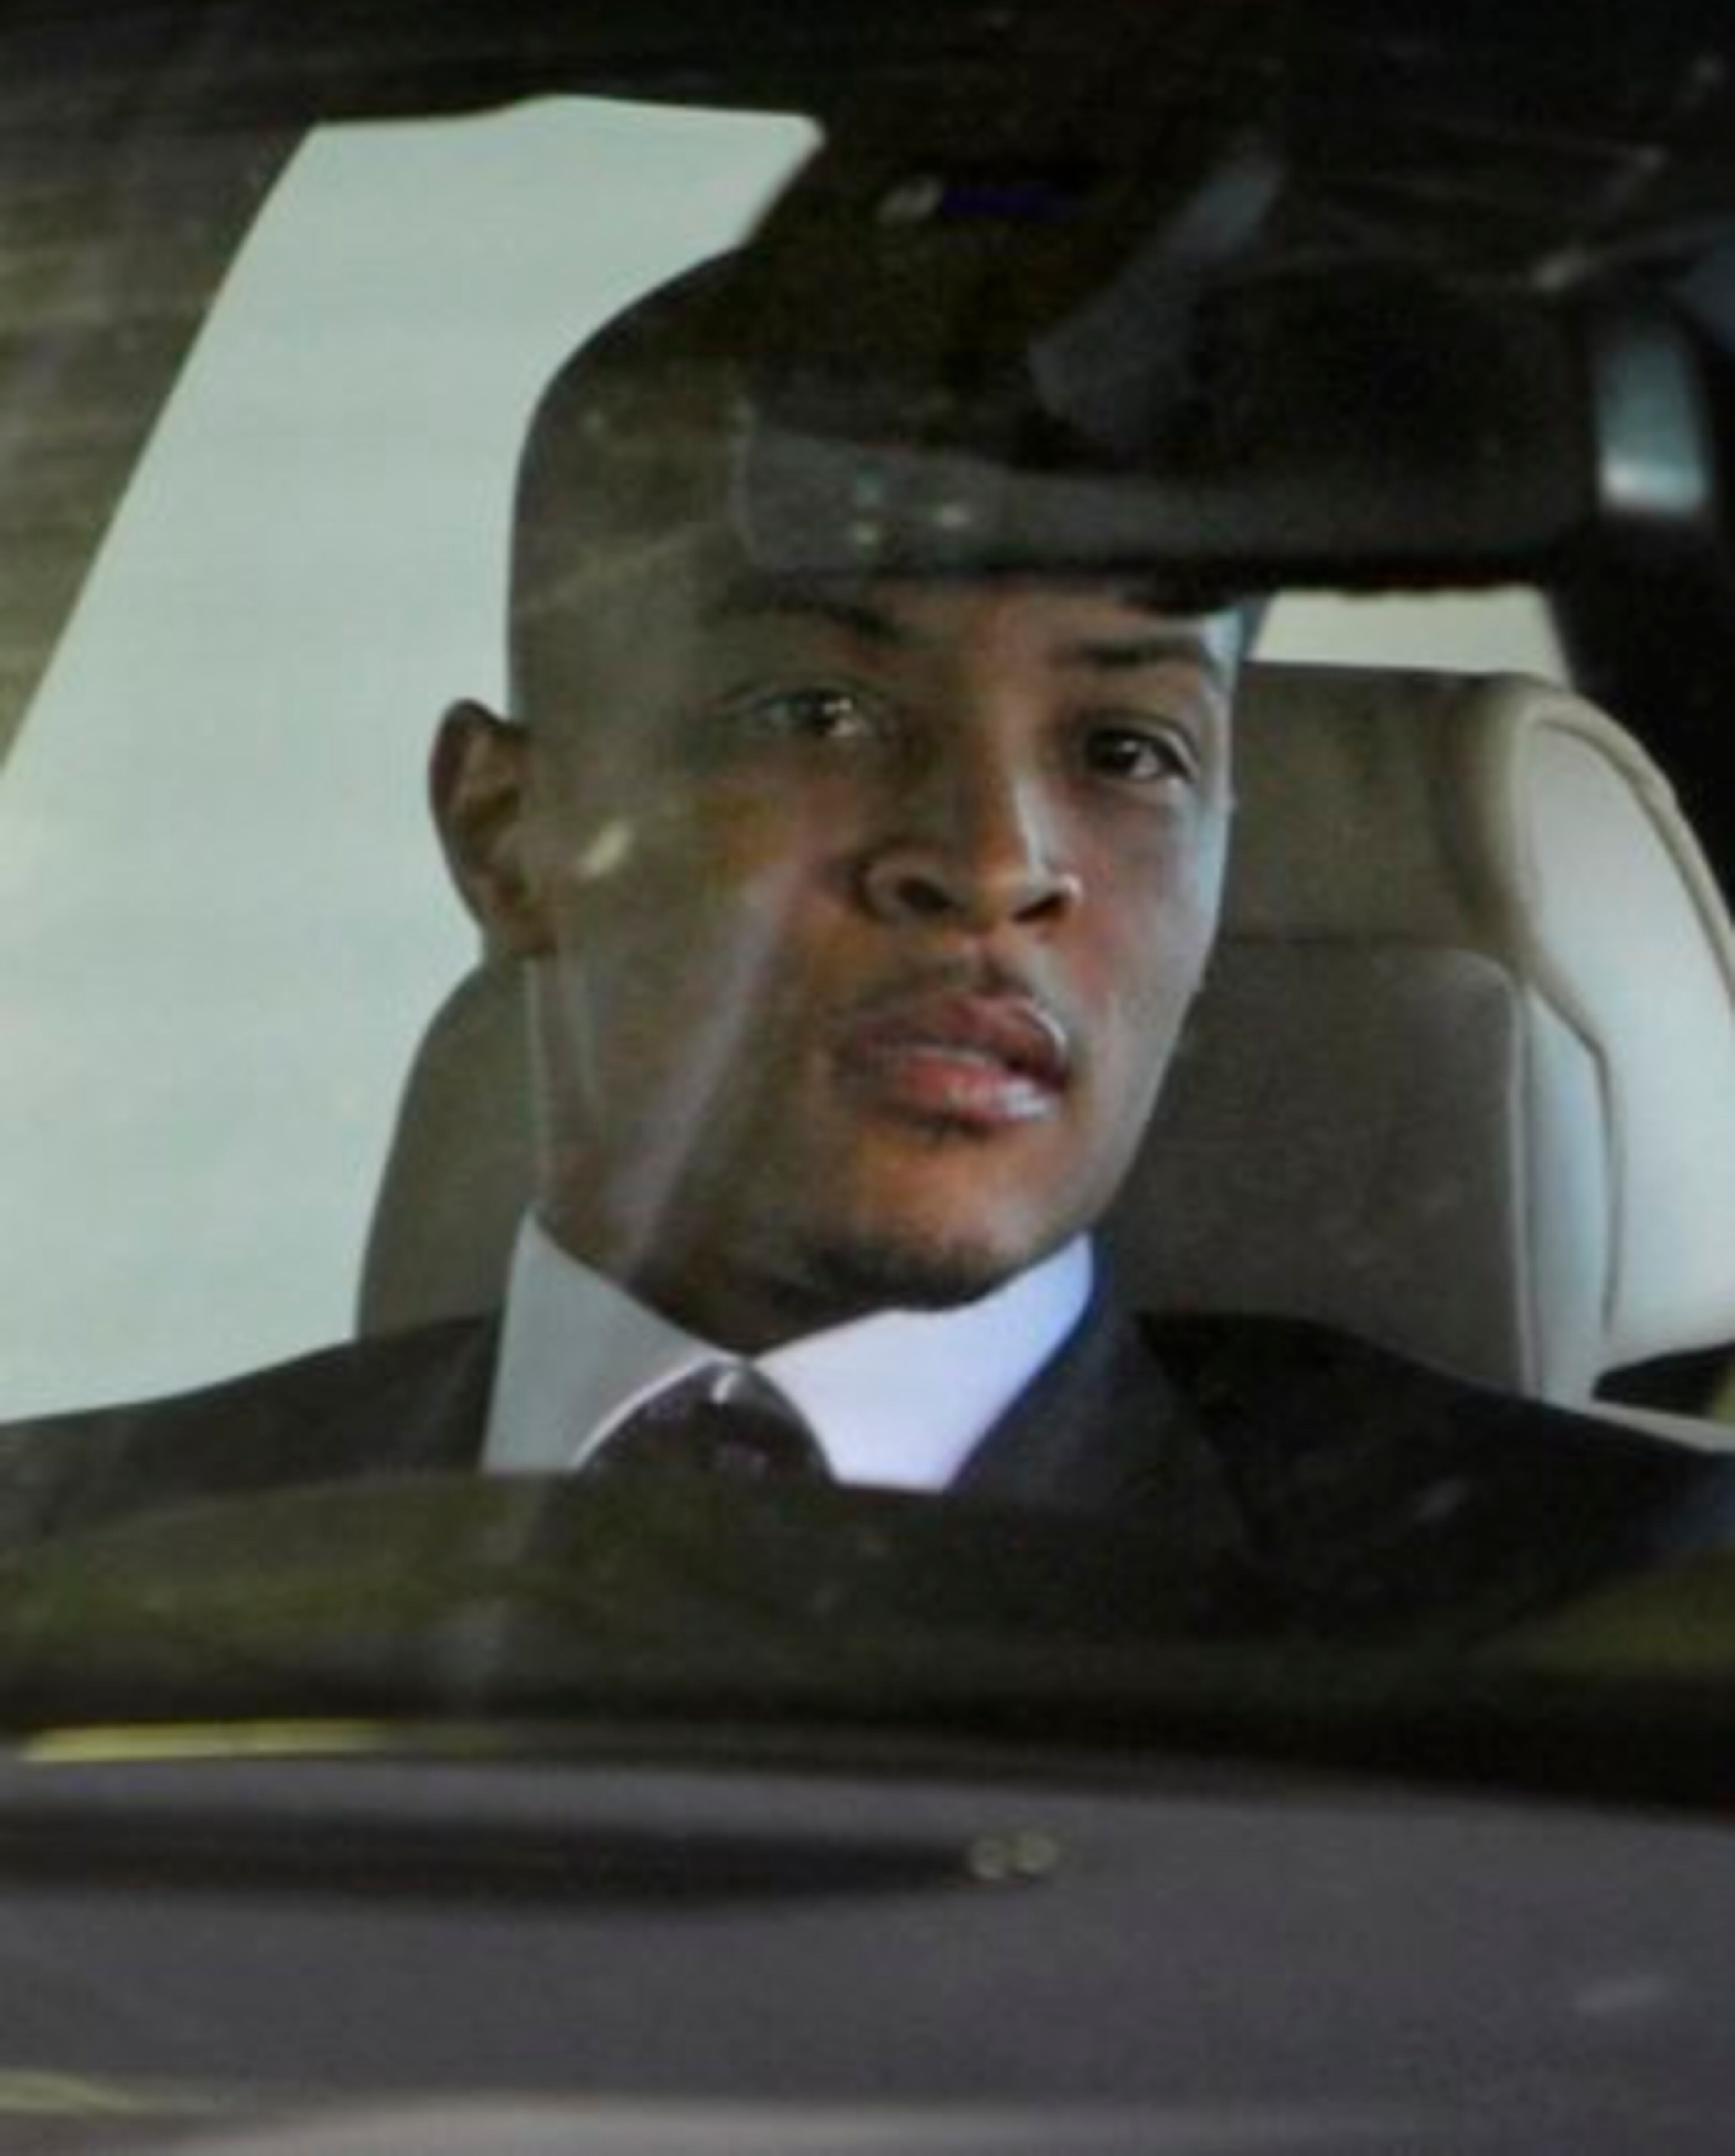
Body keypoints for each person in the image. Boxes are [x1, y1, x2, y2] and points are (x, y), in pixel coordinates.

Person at [0, 240, 1730, 1648]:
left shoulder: (1613, 1647)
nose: (991, 862)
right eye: (818, 710)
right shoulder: (58, 1584)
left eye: (1128, 753)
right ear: (505, 833)